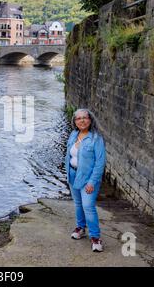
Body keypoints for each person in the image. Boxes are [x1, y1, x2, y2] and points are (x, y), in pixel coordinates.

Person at [65, 108, 106, 252]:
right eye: (78, 118)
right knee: (78, 204)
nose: (82, 120)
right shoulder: (73, 134)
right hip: (72, 174)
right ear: (75, 122)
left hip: (88, 178)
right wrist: (67, 173)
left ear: (90, 120)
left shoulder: (96, 138)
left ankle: (95, 237)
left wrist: (92, 182)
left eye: (85, 117)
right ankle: (81, 228)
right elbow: (69, 156)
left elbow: (100, 163)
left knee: (88, 206)